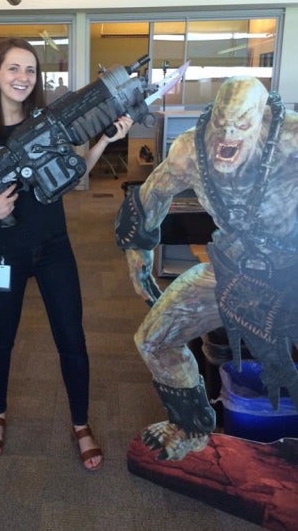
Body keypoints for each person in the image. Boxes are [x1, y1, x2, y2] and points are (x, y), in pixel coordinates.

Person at [0, 37, 132, 470]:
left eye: (30, 71)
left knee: (72, 338)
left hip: (54, 246)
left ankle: (80, 422)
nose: (22, 78)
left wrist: (104, 142)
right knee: (0, 338)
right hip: (2, 251)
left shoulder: (47, 122)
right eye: (13, 69)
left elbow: (70, 175)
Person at [115, 75, 298, 461]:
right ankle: (191, 426)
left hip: (292, 265)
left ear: (262, 120)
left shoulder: (291, 141)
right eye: (221, 124)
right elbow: (154, 192)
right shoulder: (191, 150)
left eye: (242, 125)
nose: (228, 134)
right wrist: (138, 249)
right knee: (153, 339)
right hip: (231, 267)